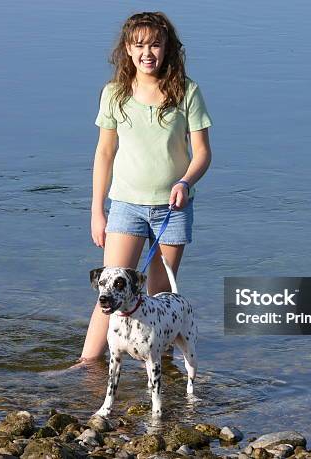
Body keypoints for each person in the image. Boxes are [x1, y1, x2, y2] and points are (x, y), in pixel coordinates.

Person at [78, 11, 213, 363]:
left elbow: (202, 153)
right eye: (139, 45)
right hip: (125, 206)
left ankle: (161, 369)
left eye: (155, 44)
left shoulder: (187, 92)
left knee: (160, 297)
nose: (147, 52)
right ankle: (86, 366)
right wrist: (97, 211)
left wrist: (186, 181)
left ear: (168, 47)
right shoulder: (114, 94)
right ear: (127, 48)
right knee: (108, 294)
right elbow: (104, 153)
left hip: (173, 208)